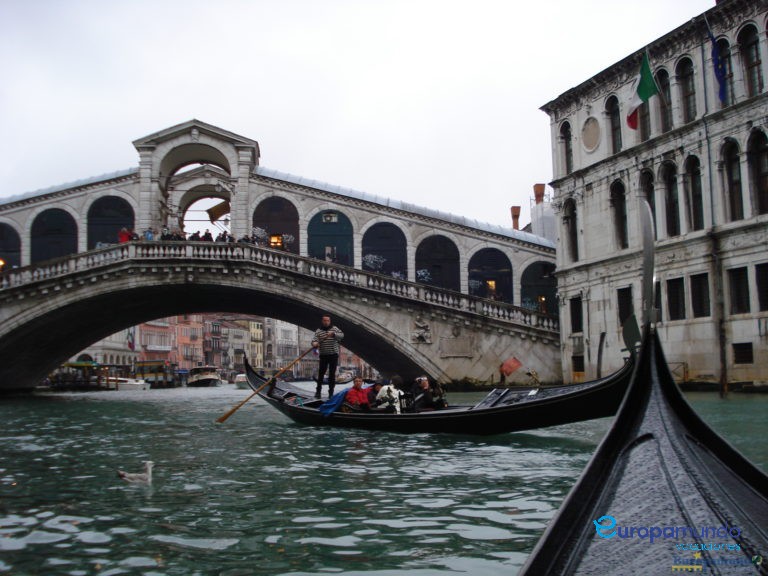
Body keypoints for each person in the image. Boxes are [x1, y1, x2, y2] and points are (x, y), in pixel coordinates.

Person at [312, 314, 344, 399]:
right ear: (322, 321)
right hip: (323, 355)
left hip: (333, 354)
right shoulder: (318, 331)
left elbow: (342, 335)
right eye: (325, 321)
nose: (326, 322)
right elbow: (314, 340)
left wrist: (333, 334)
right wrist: (314, 343)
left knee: (332, 374)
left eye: (328, 321)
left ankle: (331, 393)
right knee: (321, 374)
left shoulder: (334, 328)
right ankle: (318, 392)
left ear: (330, 321)